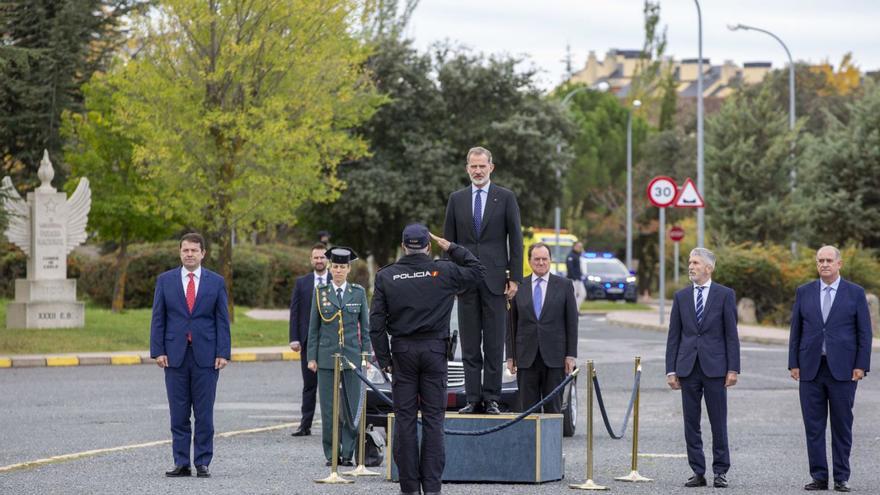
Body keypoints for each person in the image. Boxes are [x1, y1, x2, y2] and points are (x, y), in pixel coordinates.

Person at [370, 224, 485, 495]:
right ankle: (431, 488)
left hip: (402, 353)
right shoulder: (444, 270)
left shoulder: (387, 276)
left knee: (405, 421)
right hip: (434, 353)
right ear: (429, 246)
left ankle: (409, 489)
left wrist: (385, 358)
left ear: (403, 246)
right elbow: (479, 272)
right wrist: (452, 247)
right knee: (434, 422)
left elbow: (376, 323)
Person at [443, 146, 523, 415]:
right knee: (469, 344)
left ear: (491, 167)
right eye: (473, 166)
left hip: (496, 280)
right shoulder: (456, 199)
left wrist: (515, 278)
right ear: (467, 168)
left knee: (493, 343)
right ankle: (472, 398)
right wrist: (451, 279)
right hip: (466, 282)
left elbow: (516, 240)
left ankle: (491, 398)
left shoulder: (506, 198)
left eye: (482, 166)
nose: (477, 171)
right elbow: (450, 244)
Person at [788, 246, 871, 493]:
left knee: (842, 425)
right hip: (810, 369)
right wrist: (793, 363)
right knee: (813, 427)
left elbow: (864, 333)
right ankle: (819, 477)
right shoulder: (804, 292)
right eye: (820, 261)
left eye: (828, 260)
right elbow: (796, 331)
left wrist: (861, 365)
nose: (824, 264)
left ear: (839, 264)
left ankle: (841, 477)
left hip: (844, 370)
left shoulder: (855, 293)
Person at [150, 232, 231, 478]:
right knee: (179, 413)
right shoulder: (165, 281)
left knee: (204, 413)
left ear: (203, 253)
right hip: (174, 356)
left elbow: (222, 320)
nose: (189, 254)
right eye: (185, 250)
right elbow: (158, 318)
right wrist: (158, 350)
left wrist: (223, 352)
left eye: (194, 250)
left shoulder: (216, 282)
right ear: (180, 252)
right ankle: (181, 462)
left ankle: (203, 461)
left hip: (206, 357)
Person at [665, 247, 740, 489]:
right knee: (691, 423)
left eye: (696, 263)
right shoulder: (681, 297)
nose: (691, 266)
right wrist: (671, 370)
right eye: (690, 262)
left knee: (718, 421)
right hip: (687, 368)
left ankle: (720, 471)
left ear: (709, 268)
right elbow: (673, 336)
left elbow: (731, 335)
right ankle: (698, 471)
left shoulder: (725, 295)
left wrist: (733, 368)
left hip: (716, 368)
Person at [306, 246, 371, 467]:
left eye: (343, 267)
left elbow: (366, 327)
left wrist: (366, 355)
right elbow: (313, 329)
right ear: (330, 268)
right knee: (328, 408)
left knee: (352, 408)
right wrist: (311, 357)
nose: (339, 270)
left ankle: (347, 453)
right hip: (326, 357)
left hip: (352, 358)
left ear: (349, 269)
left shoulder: (358, 292)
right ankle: (331, 452)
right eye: (336, 266)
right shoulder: (320, 293)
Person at [507, 243, 577, 413]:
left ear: (550, 261)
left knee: (554, 408)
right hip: (526, 358)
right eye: (536, 259)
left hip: (555, 358)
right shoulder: (518, 286)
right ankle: (530, 440)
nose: (541, 262)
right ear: (529, 261)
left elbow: (572, 322)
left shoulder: (564, 285)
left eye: (544, 259)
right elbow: (510, 324)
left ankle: (551, 440)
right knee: (528, 411)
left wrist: (571, 355)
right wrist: (510, 356)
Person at [287, 243, 329, 437]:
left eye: (322, 257)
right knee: (309, 385)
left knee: (331, 387)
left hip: (330, 343)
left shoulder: (335, 280)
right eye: (316, 257)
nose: (319, 260)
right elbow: (295, 312)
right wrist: (294, 338)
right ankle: (305, 425)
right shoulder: (302, 283)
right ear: (311, 260)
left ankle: (334, 424)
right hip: (307, 342)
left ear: (327, 259)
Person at [566, 241, 586, 312]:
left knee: (583, 294)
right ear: (574, 246)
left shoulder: (579, 255)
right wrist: (574, 277)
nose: (580, 248)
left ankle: (576, 310)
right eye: (578, 246)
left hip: (579, 279)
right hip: (573, 279)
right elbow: (570, 268)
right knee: (573, 296)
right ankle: (573, 311)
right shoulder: (571, 256)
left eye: (581, 247)